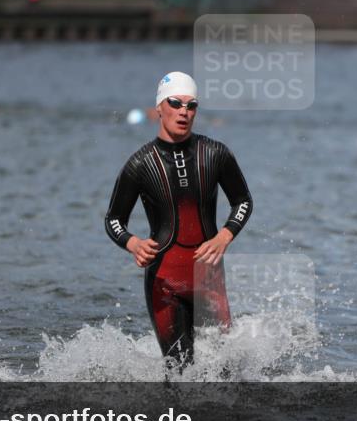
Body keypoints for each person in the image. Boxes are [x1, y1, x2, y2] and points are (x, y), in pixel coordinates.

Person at [105, 72, 252, 371]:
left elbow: (243, 201)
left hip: (209, 281)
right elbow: (113, 220)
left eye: (191, 105)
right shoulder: (139, 165)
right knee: (179, 375)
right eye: (175, 103)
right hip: (164, 284)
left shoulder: (215, 154)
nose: (184, 111)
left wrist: (226, 234)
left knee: (230, 371)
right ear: (160, 107)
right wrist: (132, 243)